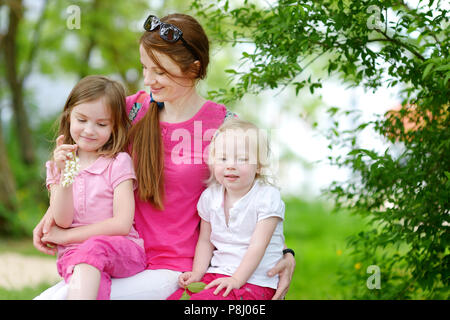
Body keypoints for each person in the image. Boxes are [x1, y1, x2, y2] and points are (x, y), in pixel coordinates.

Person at [33, 13, 295, 300]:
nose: (148, 80)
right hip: (117, 254)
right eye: (145, 68)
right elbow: (83, 157)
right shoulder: (129, 111)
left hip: (172, 266)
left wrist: (284, 253)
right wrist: (52, 213)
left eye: (160, 72)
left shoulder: (222, 126)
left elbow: (255, 197)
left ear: (193, 68)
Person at [39, 75, 146, 300]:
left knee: (93, 249)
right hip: (75, 256)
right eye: (82, 120)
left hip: (123, 250)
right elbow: (63, 220)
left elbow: (122, 224)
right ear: (69, 116)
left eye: (101, 124)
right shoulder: (57, 166)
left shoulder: (118, 162)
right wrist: (65, 174)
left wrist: (66, 237)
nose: (89, 130)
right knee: (90, 273)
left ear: (114, 127)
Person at [168, 119, 285, 300]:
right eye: (223, 158)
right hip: (217, 273)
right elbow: (206, 241)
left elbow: (258, 245)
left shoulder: (266, 197)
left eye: (242, 159)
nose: (231, 165)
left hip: (255, 281)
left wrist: (236, 279)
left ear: (259, 166)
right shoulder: (210, 197)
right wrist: (197, 274)